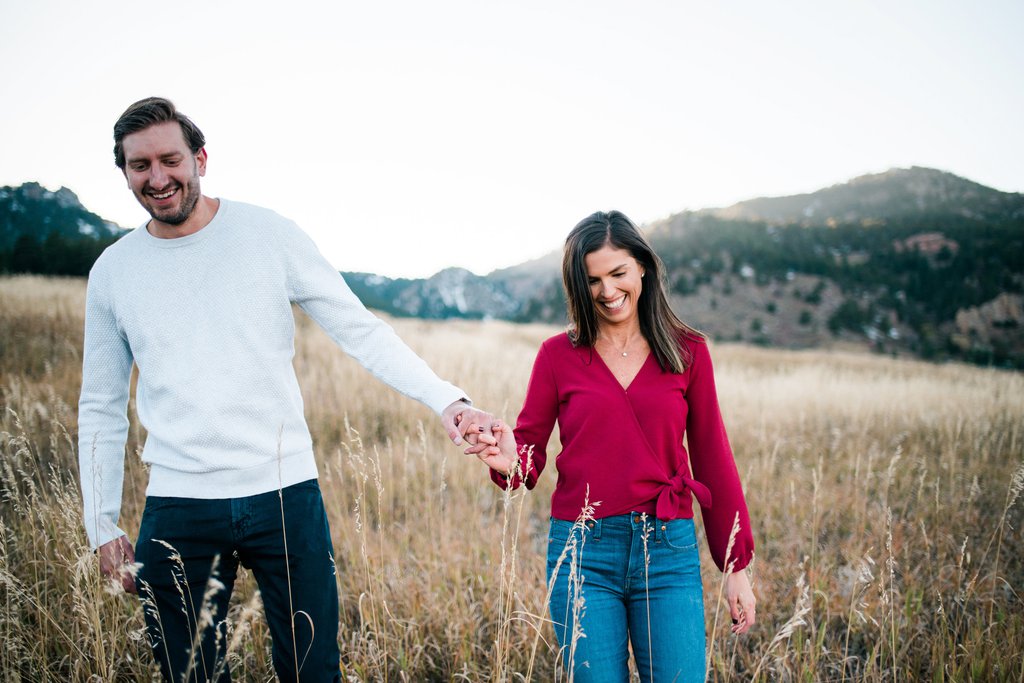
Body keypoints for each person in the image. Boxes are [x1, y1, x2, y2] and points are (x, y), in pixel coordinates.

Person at [78, 96, 493, 682]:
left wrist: (447, 399)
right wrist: (102, 523)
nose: (158, 177)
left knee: (313, 669)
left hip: (284, 492)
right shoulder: (113, 272)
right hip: (179, 502)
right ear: (124, 172)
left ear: (200, 158)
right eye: (139, 165)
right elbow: (99, 403)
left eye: (170, 159)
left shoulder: (268, 235)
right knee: (188, 673)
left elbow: (359, 328)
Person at [471, 210, 757, 682]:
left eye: (618, 273)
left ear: (642, 265)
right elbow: (528, 456)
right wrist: (509, 461)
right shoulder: (556, 356)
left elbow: (713, 458)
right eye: (593, 280)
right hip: (583, 555)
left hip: (667, 551)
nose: (607, 291)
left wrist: (736, 568)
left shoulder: (688, 352)